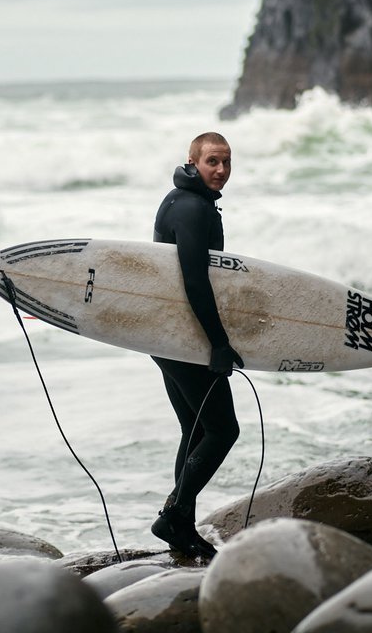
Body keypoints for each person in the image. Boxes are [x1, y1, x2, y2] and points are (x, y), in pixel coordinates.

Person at [150, 131, 244, 558]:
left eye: (226, 162)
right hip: (185, 338)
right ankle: (174, 516)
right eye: (212, 162)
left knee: (196, 429)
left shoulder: (184, 200)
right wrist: (219, 344)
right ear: (192, 161)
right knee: (223, 430)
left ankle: (180, 525)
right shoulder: (190, 209)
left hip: (167, 334)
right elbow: (194, 279)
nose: (221, 170)